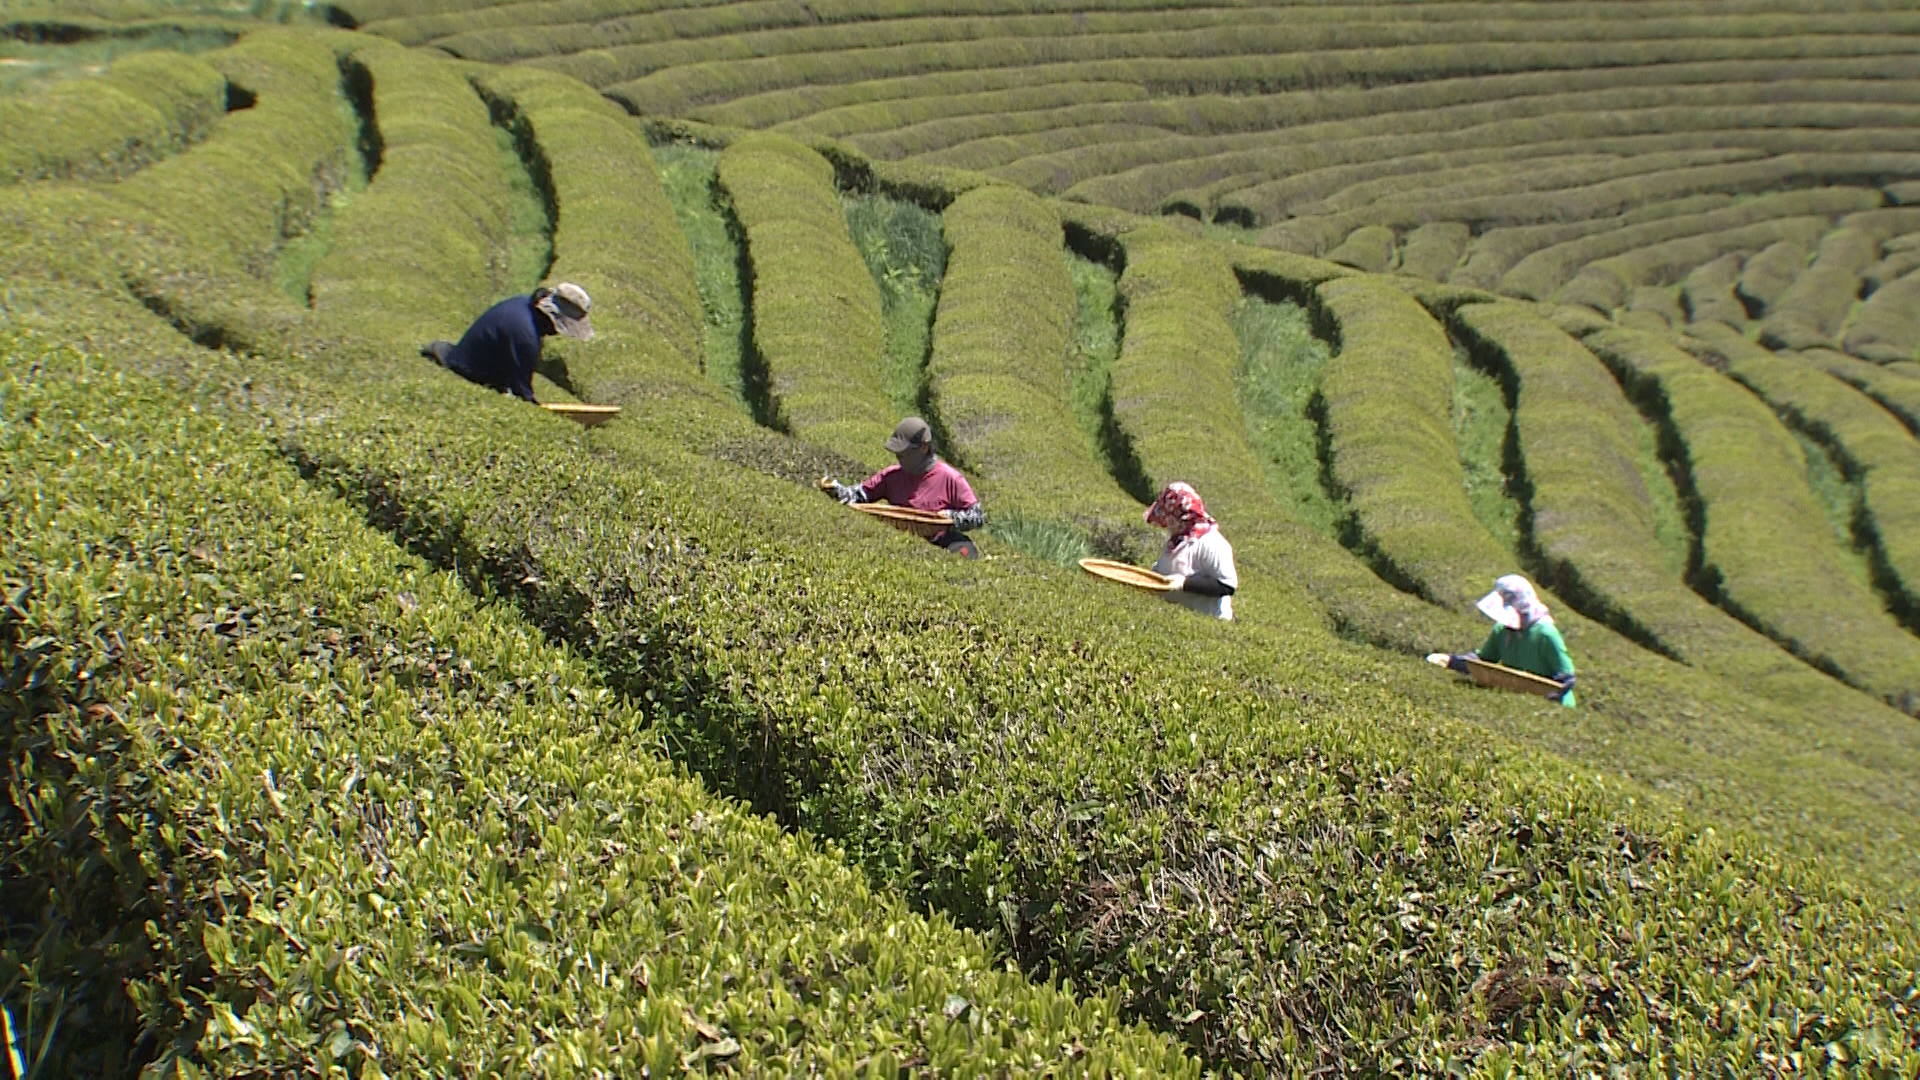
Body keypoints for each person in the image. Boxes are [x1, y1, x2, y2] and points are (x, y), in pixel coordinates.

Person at [826, 417, 985, 556]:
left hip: (940, 540)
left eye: (904, 452)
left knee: (965, 551)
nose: (898, 457)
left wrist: (951, 517)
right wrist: (836, 491)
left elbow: (977, 516)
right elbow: (859, 496)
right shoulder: (891, 475)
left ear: (924, 448)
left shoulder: (950, 478)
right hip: (898, 538)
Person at [420, 283, 594, 404]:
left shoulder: (523, 304)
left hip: (463, 356)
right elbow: (522, 393)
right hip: (468, 369)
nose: (556, 333)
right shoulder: (525, 336)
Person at [1427, 574, 1577, 707]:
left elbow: (1566, 677)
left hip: (1554, 706)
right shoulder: (1502, 630)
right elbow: (1483, 662)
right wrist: (1451, 661)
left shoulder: (1545, 634)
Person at [1145, 482, 1238, 620]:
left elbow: (1227, 585)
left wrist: (1185, 583)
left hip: (1209, 621)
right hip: (1177, 616)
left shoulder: (1211, 542)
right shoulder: (1177, 540)